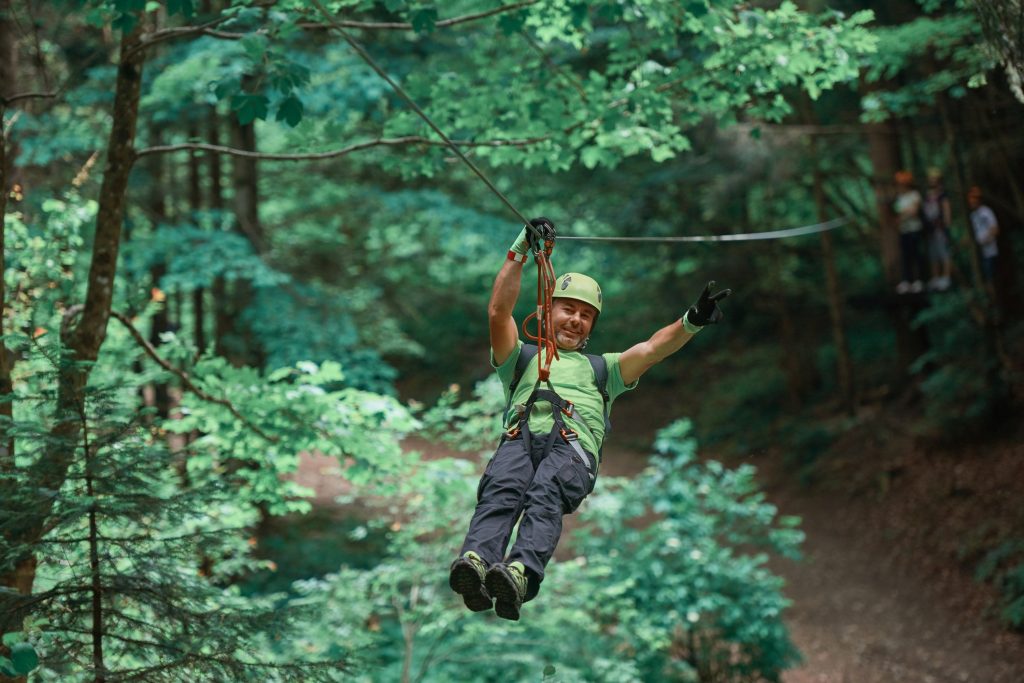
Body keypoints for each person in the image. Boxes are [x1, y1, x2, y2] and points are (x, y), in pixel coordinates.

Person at [448, 217, 731, 621]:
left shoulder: (605, 370)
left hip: (571, 451)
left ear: (590, 328)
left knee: (545, 496)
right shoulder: (521, 357)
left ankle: (521, 571)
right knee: (503, 490)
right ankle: (477, 561)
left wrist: (692, 321)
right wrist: (520, 250)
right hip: (520, 438)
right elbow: (498, 311)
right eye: (568, 309)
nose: (576, 319)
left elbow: (651, 349)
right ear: (548, 311)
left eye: (585, 315)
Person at [893, 170, 926, 294]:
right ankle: (906, 281)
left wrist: (903, 214)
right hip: (904, 230)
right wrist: (904, 214)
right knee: (905, 256)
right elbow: (898, 215)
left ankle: (919, 281)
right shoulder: (900, 198)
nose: (900, 186)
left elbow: (914, 212)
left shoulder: (914, 195)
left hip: (914, 229)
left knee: (916, 255)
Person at [921, 168, 953, 291]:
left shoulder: (943, 195)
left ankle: (946, 277)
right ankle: (936, 278)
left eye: (935, 179)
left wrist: (946, 225)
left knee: (944, 252)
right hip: (930, 229)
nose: (933, 181)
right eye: (931, 179)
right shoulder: (928, 196)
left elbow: (946, 211)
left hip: (940, 227)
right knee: (933, 254)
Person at [968, 186, 999, 282]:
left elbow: (995, 229)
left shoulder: (986, 212)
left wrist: (986, 239)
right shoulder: (972, 216)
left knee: (991, 278)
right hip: (980, 252)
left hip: (991, 252)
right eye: (971, 199)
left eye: (974, 199)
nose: (972, 201)